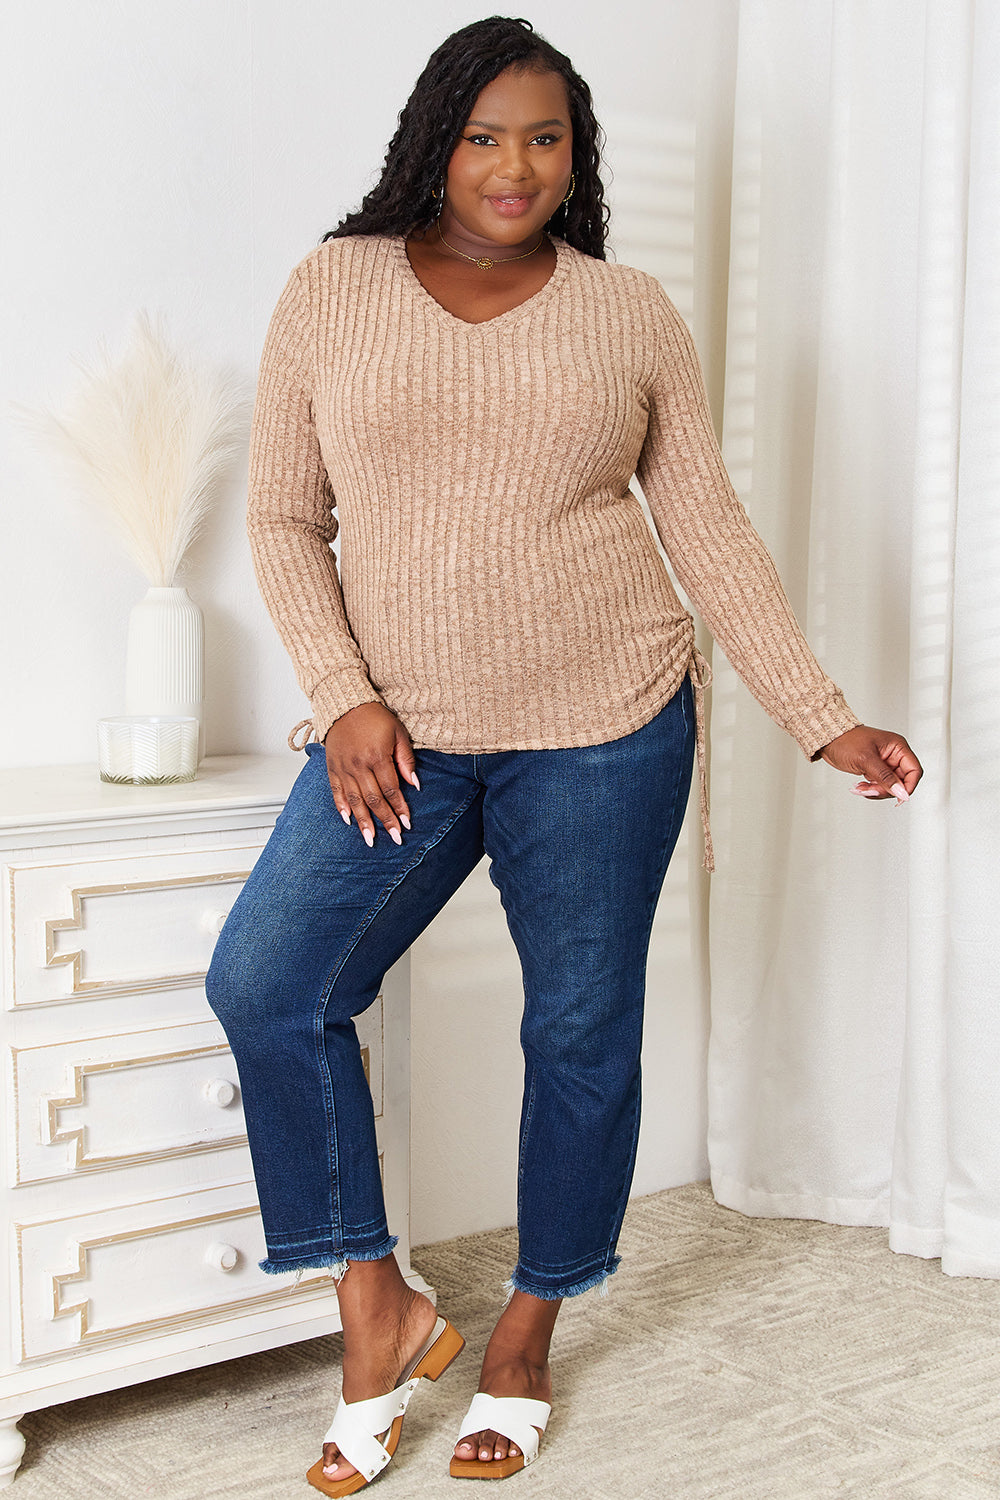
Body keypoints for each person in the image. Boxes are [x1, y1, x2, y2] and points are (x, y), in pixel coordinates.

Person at [206, 14, 922, 1495]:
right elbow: (283, 516)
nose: (514, 167)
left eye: (545, 137)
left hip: (606, 724)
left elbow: (704, 529)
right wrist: (342, 691)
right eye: (484, 136)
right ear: (433, 142)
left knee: (578, 1034)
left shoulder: (629, 311)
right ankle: (377, 1304)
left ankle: (528, 1329)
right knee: (271, 981)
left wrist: (816, 711)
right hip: (398, 734)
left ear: (576, 154)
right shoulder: (333, 288)